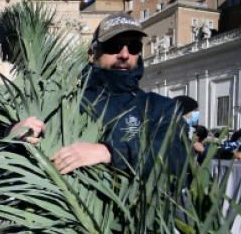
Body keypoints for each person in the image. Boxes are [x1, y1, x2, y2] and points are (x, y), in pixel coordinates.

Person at [10, 12, 188, 177]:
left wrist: (109, 152)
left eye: (133, 47)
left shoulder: (161, 108)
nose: (124, 54)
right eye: (113, 46)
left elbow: (179, 155)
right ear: (92, 54)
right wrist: (14, 135)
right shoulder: (65, 104)